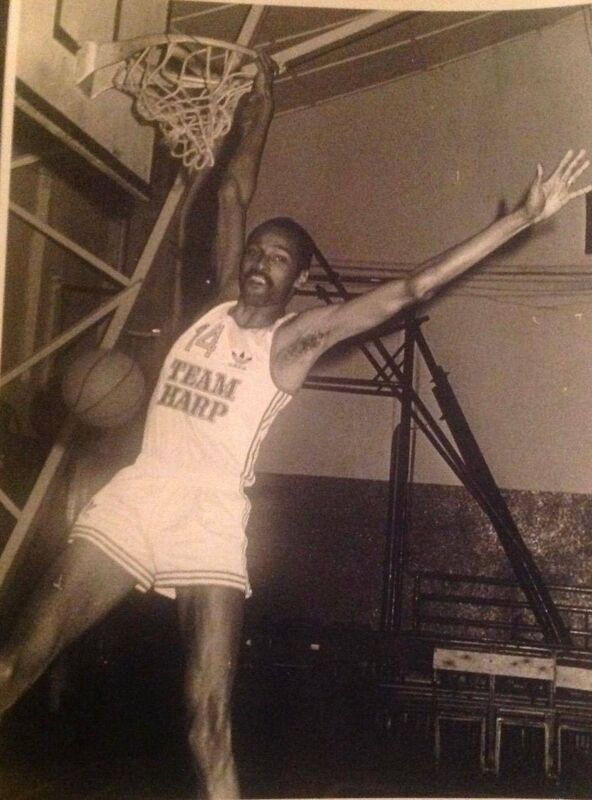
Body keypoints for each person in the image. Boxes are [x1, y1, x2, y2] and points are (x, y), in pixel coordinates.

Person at [0, 49, 590, 799]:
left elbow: (409, 289)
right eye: (255, 251)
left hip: (209, 517)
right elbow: (235, 189)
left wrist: (518, 221)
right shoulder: (214, 305)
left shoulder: (295, 340)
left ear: (297, 280)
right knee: (19, 658)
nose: (259, 261)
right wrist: (262, 108)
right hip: (138, 493)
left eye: (278, 258)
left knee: (204, 719)